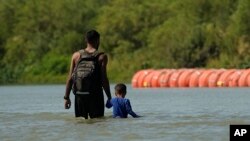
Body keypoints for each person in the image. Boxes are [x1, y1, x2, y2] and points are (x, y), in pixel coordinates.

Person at [64, 29, 112, 119]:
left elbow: (70, 78)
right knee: (98, 122)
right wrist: (109, 97)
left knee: (81, 122)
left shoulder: (76, 55)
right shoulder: (102, 57)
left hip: (79, 95)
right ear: (98, 40)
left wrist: (66, 98)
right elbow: (104, 79)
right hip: (95, 95)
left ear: (86, 40)